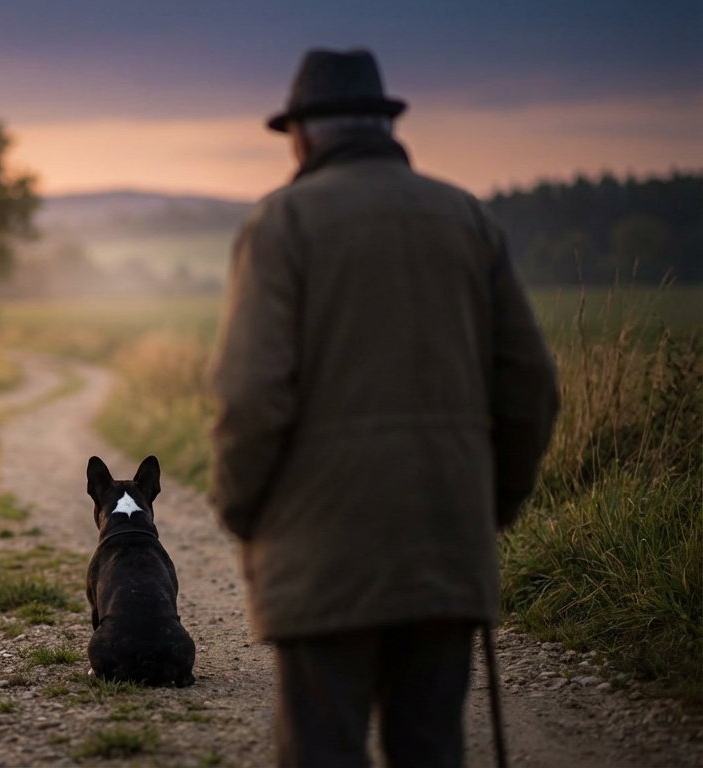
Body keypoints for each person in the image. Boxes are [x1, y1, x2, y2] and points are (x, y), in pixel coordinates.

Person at [208, 48, 559, 768]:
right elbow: (531, 386)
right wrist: (491, 502)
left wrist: (241, 510)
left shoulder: (280, 225)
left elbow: (248, 396)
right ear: (386, 125)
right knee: (431, 748)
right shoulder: (468, 219)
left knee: (323, 750)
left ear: (301, 136)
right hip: (444, 542)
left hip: (320, 552)